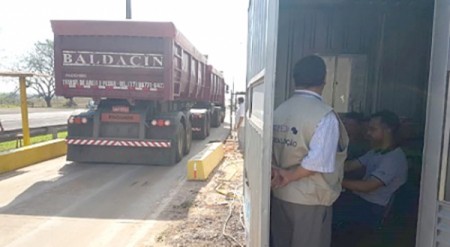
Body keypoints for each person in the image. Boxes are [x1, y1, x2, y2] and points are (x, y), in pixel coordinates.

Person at [270, 55, 349, 247]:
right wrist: (290, 175)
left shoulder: (279, 110)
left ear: (294, 79)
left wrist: (280, 174)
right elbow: (318, 161)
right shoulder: (324, 115)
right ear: (324, 80)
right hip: (310, 199)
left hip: (280, 194)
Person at [332, 110, 408, 244]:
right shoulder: (376, 152)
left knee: (328, 214)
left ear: (388, 130)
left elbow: (368, 186)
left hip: (372, 208)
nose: (368, 133)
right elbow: (350, 166)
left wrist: (336, 180)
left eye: (373, 129)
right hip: (359, 200)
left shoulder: (393, 158)